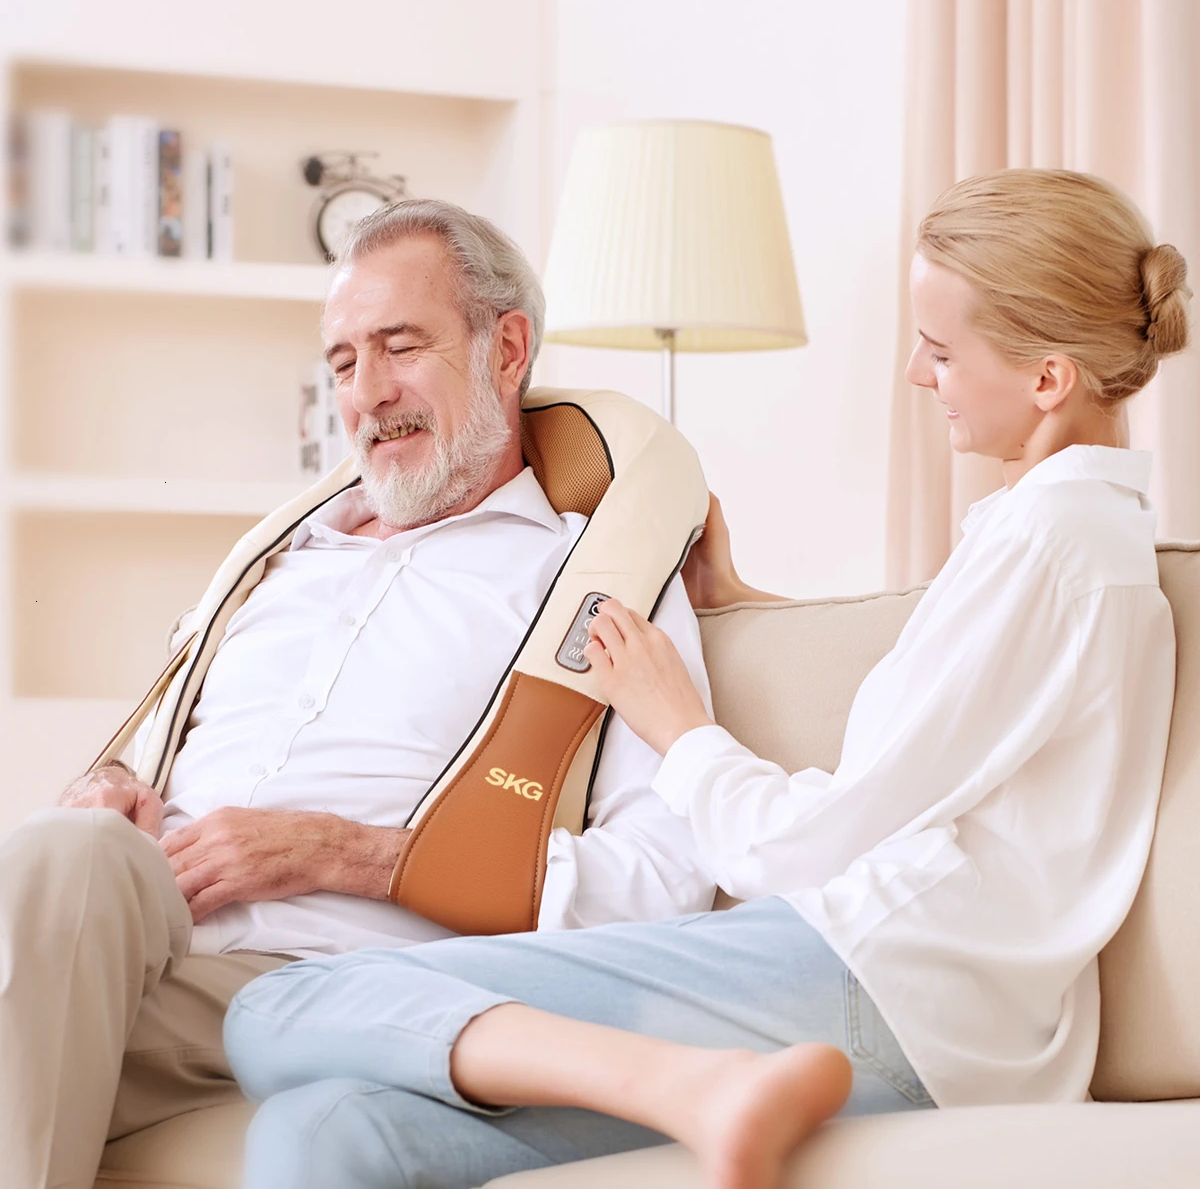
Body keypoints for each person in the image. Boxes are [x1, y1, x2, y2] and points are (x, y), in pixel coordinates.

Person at [225, 169, 1189, 1189]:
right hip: (925, 1020)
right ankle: (696, 1089)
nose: (917, 373)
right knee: (332, 1132)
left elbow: (808, 845)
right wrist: (743, 602)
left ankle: (698, 1085)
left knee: (281, 1008)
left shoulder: (1051, 545)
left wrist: (677, 726)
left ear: (1049, 379)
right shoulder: (1071, 540)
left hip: (885, 979)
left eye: (941, 351)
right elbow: (961, 720)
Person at [0, 200, 718, 1189]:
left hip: (324, 983)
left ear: (507, 349)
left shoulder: (595, 584)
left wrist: (346, 852)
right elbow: (129, 793)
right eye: (342, 363)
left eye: (400, 347)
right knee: (65, 847)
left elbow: (664, 879)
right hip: (131, 940)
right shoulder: (275, 564)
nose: (367, 394)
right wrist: (110, 792)